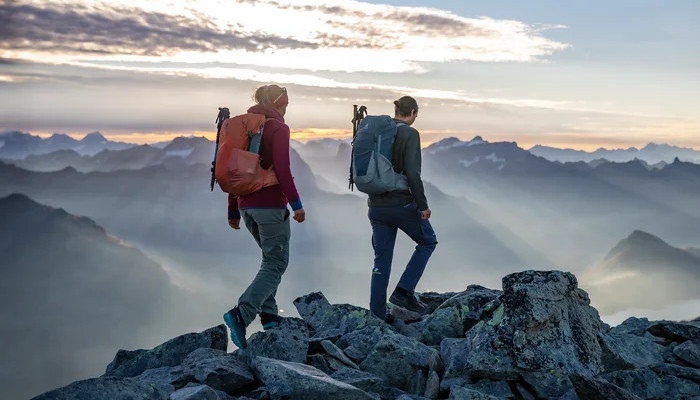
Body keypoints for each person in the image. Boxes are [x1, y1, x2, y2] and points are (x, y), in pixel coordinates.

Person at [223, 84, 305, 349]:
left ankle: (269, 317)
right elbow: (282, 166)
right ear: (279, 104)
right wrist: (296, 204)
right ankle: (241, 314)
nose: (286, 109)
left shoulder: (248, 126)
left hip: (247, 206)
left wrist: (233, 208)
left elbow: (236, 168)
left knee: (269, 260)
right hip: (270, 206)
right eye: (286, 105)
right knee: (276, 262)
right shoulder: (278, 128)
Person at [367, 96, 437, 320]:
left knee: (382, 259)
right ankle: (404, 291)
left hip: (376, 206)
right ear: (414, 112)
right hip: (402, 205)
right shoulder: (410, 133)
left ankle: (377, 314)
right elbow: (413, 173)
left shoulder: (377, 133)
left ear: (395, 109)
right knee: (428, 241)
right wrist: (423, 206)